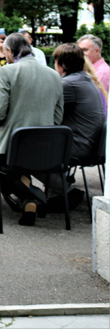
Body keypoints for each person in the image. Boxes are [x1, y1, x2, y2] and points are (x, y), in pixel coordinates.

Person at [0, 33, 63, 226]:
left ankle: (31, 195)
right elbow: (57, 117)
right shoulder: (54, 75)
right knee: (19, 167)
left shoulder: (8, 72)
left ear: (9, 51)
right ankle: (27, 196)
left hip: (11, 147)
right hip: (44, 148)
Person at [46, 43, 106, 210]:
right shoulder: (84, 78)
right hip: (91, 144)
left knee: (29, 151)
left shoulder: (69, 84)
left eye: (55, 61)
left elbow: (45, 109)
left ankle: (66, 191)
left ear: (62, 64)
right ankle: (56, 193)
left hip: (79, 147)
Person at [77, 34, 109, 109]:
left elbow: (97, 103)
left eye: (85, 50)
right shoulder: (92, 70)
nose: (81, 54)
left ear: (97, 51)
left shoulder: (101, 73)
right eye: (79, 51)